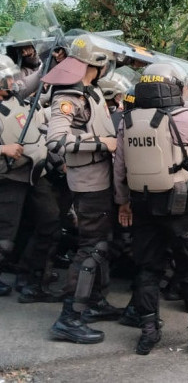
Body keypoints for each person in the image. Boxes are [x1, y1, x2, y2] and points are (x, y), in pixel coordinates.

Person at [114, 62, 188, 355]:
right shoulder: (182, 116)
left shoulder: (127, 120)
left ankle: (148, 332)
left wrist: (123, 202)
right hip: (179, 206)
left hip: (142, 204)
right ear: (174, 88)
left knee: (147, 269)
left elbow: (120, 167)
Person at [43, 36, 122, 344]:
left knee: (103, 243)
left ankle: (94, 302)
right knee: (92, 248)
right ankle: (69, 318)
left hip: (101, 181)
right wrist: (102, 144)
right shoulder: (70, 95)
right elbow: (56, 142)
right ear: (98, 64)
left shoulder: (92, 92)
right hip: (89, 183)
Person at [0, 55, 60, 301]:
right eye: (6, 78)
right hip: (10, 177)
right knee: (4, 235)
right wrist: (2, 149)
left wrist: (51, 60)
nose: (12, 81)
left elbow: (37, 78)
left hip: (36, 172)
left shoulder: (17, 95)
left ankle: (30, 279)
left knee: (50, 221)